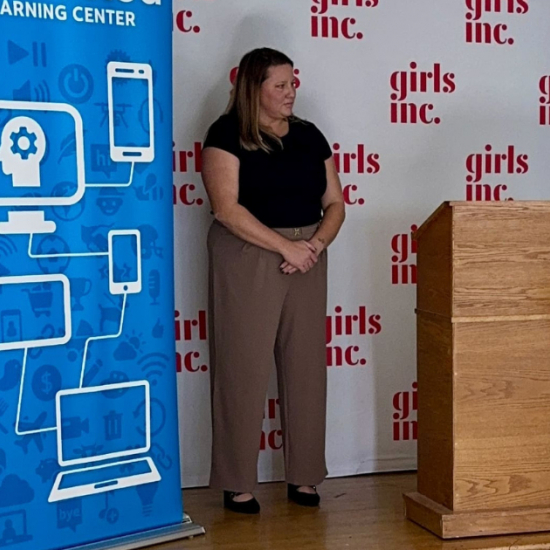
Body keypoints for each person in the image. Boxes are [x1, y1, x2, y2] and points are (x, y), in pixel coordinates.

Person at [201, 47, 345, 514]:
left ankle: (304, 476)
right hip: (251, 255)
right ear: (253, 88)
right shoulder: (227, 134)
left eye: (293, 82)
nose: (291, 92)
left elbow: (335, 202)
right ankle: (237, 481)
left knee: (306, 370)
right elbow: (226, 208)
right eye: (280, 85)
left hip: (307, 255)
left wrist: (314, 247)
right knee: (242, 368)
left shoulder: (308, 135)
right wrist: (286, 248)